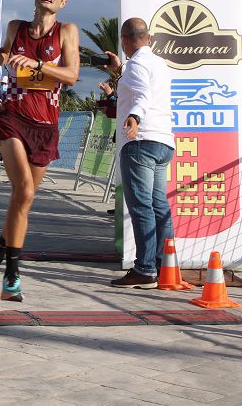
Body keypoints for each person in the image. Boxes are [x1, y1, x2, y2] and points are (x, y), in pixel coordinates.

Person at [0, 0, 79, 302]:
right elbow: (4, 55)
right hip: (12, 117)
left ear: (63, 2)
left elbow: (71, 75)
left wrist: (37, 65)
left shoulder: (67, 32)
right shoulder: (17, 28)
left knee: (23, 202)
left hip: (46, 126)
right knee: (24, 190)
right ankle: (12, 278)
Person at [104, 17, 176, 288]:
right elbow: (144, 86)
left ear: (124, 41)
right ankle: (162, 265)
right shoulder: (158, 64)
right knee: (159, 207)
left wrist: (135, 116)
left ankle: (145, 269)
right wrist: (120, 70)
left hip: (140, 143)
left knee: (142, 207)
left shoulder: (136, 65)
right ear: (149, 38)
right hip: (162, 142)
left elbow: (143, 94)